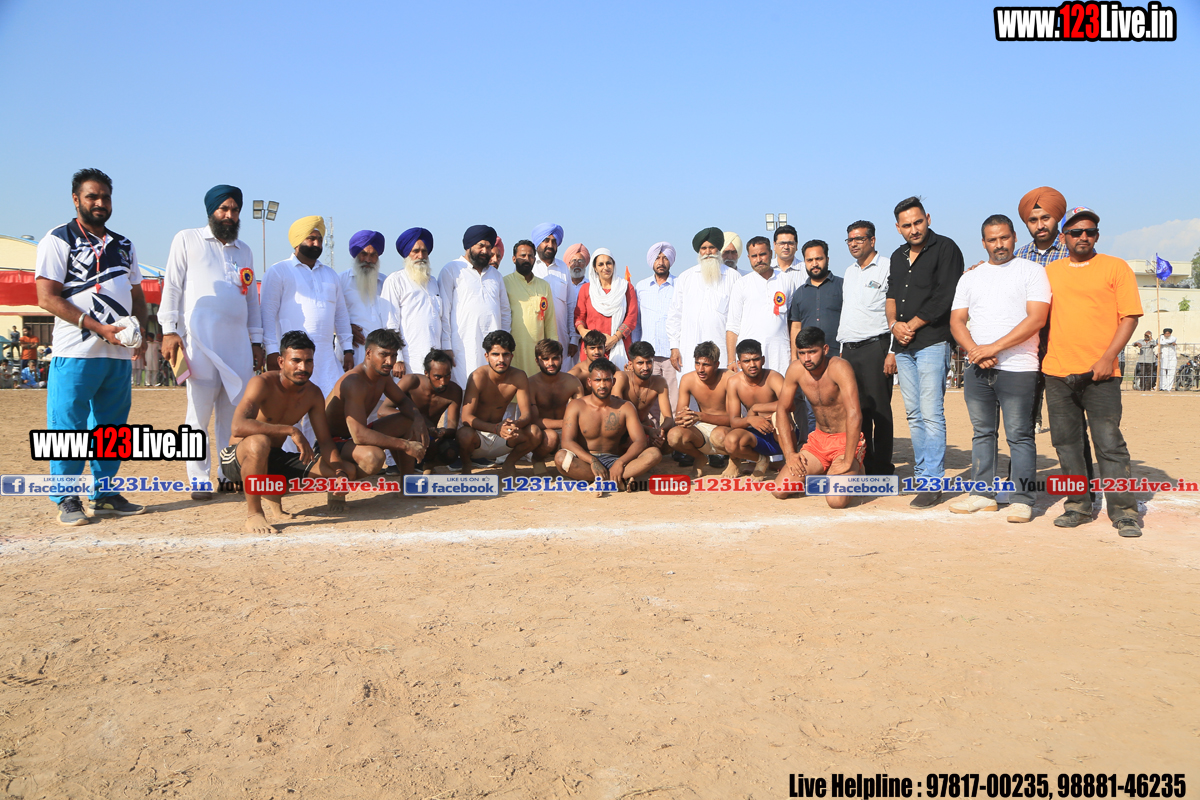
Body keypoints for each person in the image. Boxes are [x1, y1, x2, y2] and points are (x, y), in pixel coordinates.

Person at [35, 167, 148, 525]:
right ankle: (67, 498)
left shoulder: (124, 245)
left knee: (111, 429)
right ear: (76, 199)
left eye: (105, 197)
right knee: (68, 428)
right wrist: (99, 328)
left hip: (117, 355)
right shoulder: (58, 239)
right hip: (75, 352)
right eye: (92, 196)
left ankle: (105, 495)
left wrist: (141, 333)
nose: (100, 202)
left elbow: (137, 296)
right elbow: (46, 297)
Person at [1043, 206, 1143, 537]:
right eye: (1076, 232)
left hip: (1101, 373)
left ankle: (1124, 512)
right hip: (1058, 372)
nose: (1083, 237)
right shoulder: (1050, 272)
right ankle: (1078, 505)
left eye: (1090, 232)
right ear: (1063, 238)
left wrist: (1107, 358)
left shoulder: (1116, 267)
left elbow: (1130, 317)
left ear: (1097, 236)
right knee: (1066, 443)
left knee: (1109, 443)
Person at [160, 184, 264, 500]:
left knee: (233, 414)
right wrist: (169, 330)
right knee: (198, 415)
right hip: (199, 344)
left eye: (235, 210)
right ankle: (198, 479)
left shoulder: (244, 250)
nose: (230, 215)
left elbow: (252, 300)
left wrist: (257, 340)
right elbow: (172, 287)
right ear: (211, 211)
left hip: (238, 346)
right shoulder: (187, 239)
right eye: (224, 209)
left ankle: (226, 474)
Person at [948, 214, 1051, 523]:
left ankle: (1022, 499)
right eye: (992, 240)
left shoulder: (1032, 272)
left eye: (1004, 237)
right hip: (978, 369)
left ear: (1015, 237)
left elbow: (1037, 318)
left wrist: (992, 348)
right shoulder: (970, 277)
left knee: (1019, 435)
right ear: (983, 243)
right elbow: (956, 321)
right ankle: (982, 495)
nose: (999, 244)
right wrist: (975, 351)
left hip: (1019, 367)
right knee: (982, 433)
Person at [221, 330, 351, 534]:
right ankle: (254, 514)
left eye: (308, 361)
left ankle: (271, 491)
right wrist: (291, 430)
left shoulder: (313, 393)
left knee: (346, 470)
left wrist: (339, 473)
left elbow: (325, 441)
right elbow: (238, 426)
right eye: (296, 361)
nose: (303, 367)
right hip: (238, 459)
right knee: (260, 442)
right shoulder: (262, 383)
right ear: (281, 362)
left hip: (274, 459)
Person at [886, 197, 964, 507]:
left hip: (932, 341)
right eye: (907, 225)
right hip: (903, 345)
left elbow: (945, 296)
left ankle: (933, 480)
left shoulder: (946, 248)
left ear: (928, 218)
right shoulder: (898, 256)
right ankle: (921, 475)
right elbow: (891, 295)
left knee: (931, 413)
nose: (914, 229)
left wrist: (911, 325)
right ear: (898, 227)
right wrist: (894, 325)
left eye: (918, 222)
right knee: (914, 413)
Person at [260, 215, 353, 402]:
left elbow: (341, 316)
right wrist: (271, 352)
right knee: (294, 408)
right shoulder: (278, 271)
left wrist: (348, 350)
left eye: (319, 239)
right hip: (294, 358)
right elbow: (267, 315)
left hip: (326, 359)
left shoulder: (330, 275)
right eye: (311, 238)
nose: (317, 244)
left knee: (331, 407)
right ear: (297, 241)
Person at [772, 327, 865, 508]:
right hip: (818, 441)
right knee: (779, 489)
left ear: (825, 349)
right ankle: (828, 473)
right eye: (802, 353)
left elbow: (855, 414)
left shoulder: (839, 367)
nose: (806, 358)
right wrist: (790, 454)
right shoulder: (795, 370)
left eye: (812, 352)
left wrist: (847, 460)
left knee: (836, 501)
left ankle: (857, 469)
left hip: (845, 441)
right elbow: (782, 409)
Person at [325, 329, 429, 490]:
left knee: (408, 420)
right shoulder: (354, 381)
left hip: (354, 437)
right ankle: (336, 480)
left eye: (394, 355)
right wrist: (406, 445)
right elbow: (359, 435)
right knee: (374, 458)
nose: (390, 361)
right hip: (332, 443)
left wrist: (418, 419)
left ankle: (408, 487)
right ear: (368, 353)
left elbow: (403, 401)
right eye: (384, 355)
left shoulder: (382, 376)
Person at [837, 220, 896, 476]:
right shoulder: (849, 272)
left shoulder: (887, 268)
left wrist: (892, 351)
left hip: (876, 347)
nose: (854, 244)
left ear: (872, 240)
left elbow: (896, 312)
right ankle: (863, 464)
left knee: (879, 411)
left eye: (859, 239)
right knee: (856, 411)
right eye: (850, 240)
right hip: (849, 350)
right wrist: (842, 350)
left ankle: (881, 468)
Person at [555, 357, 662, 492]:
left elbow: (640, 441)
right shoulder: (576, 406)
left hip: (616, 460)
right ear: (589, 382)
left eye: (606, 380)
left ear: (613, 382)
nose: (602, 385)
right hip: (586, 461)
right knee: (561, 458)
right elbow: (567, 441)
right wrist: (592, 461)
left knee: (654, 454)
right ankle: (617, 480)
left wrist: (620, 462)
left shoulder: (625, 407)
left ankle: (598, 480)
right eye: (597, 380)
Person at [1014, 187, 1070, 432]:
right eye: (1033, 220)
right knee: (1030, 382)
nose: (1040, 225)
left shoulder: (1073, 250)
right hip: (1030, 333)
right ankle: (1033, 420)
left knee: (1063, 388)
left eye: (1045, 218)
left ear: (1057, 217)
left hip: (1063, 331)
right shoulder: (1019, 256)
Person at [456, 330, 541, 476]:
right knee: (464, 434)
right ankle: (467, 466)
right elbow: (466, 418)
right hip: (477, 437)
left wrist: (514, 424)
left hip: (502, 436)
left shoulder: (519, 376)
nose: (501, 359)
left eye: (505, 354)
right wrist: (495, 428)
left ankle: (509, 463)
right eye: (495, 354)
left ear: (511, 356)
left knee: (535, 432)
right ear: (487, 356)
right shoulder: (477, 377)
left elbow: (526, 414)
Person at [439, 225, 511, 386]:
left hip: (493, 349)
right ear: (469, 246)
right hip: (462, 347)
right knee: (464, 389)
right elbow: (444, 311)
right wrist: (446, 346)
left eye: (488, 247)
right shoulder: (451, 270)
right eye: (481, 246)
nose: (485, 251)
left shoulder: (496, 276)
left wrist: (504, 343)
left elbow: (505, 312)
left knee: (490, 389)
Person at [668, 228, 739, 377]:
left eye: (712, 247)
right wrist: (674, 347)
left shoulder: (733, 277)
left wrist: (733, 356)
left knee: (723, 387)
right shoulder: (686, 277)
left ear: (718, 249)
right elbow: (675, 315)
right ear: (699, 251)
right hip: (689, 349)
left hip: (722, 350)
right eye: (703, 248)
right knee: (690, 386)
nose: (708, 252)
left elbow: (738, 319)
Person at [721, 339, 786, 479]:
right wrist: (751, 420)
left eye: (756, 359)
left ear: (763, 360)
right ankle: (760, 460)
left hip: (780, 434)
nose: (752, 365)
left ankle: (789, 460)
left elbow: (789, 404)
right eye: (746, 361)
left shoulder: (773, 377)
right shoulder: (733, 382)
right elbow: (733, 421)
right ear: (739, 364)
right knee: (731, 441)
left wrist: (757, 408)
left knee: (779, 417)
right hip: (756, 435)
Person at [726, 236, 792, 374]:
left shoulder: (786, 281)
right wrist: (731, 359)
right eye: (754, 256)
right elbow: (732, 326)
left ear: (771, 254)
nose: (759, 259)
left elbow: (793, 322)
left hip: (780, 356)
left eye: (762, 254)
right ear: (749, 257)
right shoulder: (741, 284)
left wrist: (795, 356)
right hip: (750, 357)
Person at [381, 227, 442, 375]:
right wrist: (398, 358)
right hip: (409, 359)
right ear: (407, 253)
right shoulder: (395, 280)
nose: (421, 256)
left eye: (424, 251)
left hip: (435, 356)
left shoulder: (433, 282)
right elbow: (390, 323)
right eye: (415, 251)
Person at [666, 341, 732, 470]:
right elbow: (679, 418)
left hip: (725, 429)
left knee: (719, 435)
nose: (700, 369)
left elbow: (733, 420)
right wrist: (684, 418)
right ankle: (699, 456)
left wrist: (700, 416)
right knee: (674, 436)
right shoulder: (688, 379)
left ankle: (729, 458)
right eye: (697, 363)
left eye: (706, 365)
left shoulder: (729, 378)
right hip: (703, 429)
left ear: (717, 365)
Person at [395, 348, 463, 472]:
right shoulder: (411, 382)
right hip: (406, 436)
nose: (443, 382)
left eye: (447, 376)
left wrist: (440, 432)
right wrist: (417, 419)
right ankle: (406, 470)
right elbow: (383, 410)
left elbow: (452, 430)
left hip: (429, 438)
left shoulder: (454, 391)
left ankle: (427, 466)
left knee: (451, 451)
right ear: (426, 373)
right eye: (438, 377)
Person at [633, 242, 679, 411]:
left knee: (673, 397)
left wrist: (677, 348)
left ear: (670, 261)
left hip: (671, 353)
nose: (661, 262)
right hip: (648, 355)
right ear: (651, 261)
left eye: (665, 258)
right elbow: (637, 322)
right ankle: (651, 428)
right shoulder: (641, 287)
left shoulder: (679, 285)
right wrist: (636, 349)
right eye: (657, 258)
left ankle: (673, 428)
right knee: (649, 398)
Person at [574, 248, 638, 369]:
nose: (605, 267)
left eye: (609, 263)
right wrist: (584, 332)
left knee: (619, 378)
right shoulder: (586, 289)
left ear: (614, 265)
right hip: (592, 348)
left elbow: (632, 317)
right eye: (601, 264)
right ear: (595, 268)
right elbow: (579, 316)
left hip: (619, 345)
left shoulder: (625, 287)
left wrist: (614, 339)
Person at [529, 338, 585, 471]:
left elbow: (582, 413)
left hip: (567, 429)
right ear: (537, 361)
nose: (551, 363)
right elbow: (534, 421)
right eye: (545, 359)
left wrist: (571, 426)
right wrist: (566, 423)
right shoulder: (530, 384)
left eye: (555, 358)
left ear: (561, 358)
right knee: (551, 437)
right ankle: (537, 459)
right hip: (543, 432)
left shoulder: (572, 382)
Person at [504, 239, 558, 376]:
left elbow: (549, 321)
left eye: (530, 256)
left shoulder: (543, 286)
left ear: (534, 259)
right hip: (513, 350)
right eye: (522, 256)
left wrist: (553, 348)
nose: (527, 259)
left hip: (538, 351)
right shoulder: (504, 283)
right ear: (514, 259)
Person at [339, 230, 389, 366]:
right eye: (364, 254)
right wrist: (347, 328)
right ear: (356, 255)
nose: (368, 260)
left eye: (373, 255)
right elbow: (331, 314)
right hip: (352, 351)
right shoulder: (341, 280)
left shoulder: (386, 282)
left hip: (381, 353)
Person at [789, 239, 843, 358]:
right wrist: (794, 357)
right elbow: (796, 326)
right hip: (808, 358)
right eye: (809, 260)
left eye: (818, 259)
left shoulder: (842, 286)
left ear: (827, 259)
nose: (814, 264)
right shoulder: (799, 293)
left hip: (837, 355)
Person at [530, 223, 573, 356]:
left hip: (560, 335)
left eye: (554, 242)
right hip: (534, 334)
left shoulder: (563, 267)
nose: (550, 245)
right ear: (537, 243)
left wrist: (574, 339)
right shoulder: (529, 266)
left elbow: (571, 304)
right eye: (546, 240)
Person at [625, 341, 674, 453]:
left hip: (646, 428)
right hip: (625, 430)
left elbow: (668, 418)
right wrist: (649, 431)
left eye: (649, 362)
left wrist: (659, 431)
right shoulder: (622, 379)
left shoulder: (659, 382)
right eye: (640, 363)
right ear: (631, 364)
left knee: (671, 441)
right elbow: (619, 419)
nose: (645, 367)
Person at [569, 329, 628, 398]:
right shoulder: (577, 373)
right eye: (592, 348)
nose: (596, 352)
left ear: (604, 348)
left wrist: (628, 374)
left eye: (600, 348)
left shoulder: (612, 369)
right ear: (585, 350)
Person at [561, 243, 590, 368]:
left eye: (580, 261)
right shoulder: (563, 285)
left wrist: (575, 338)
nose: (577, 264)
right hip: (562, 335)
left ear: (586, 264)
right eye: (573, 261)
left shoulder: (591, 286)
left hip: (585, 339)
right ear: (568, 264)